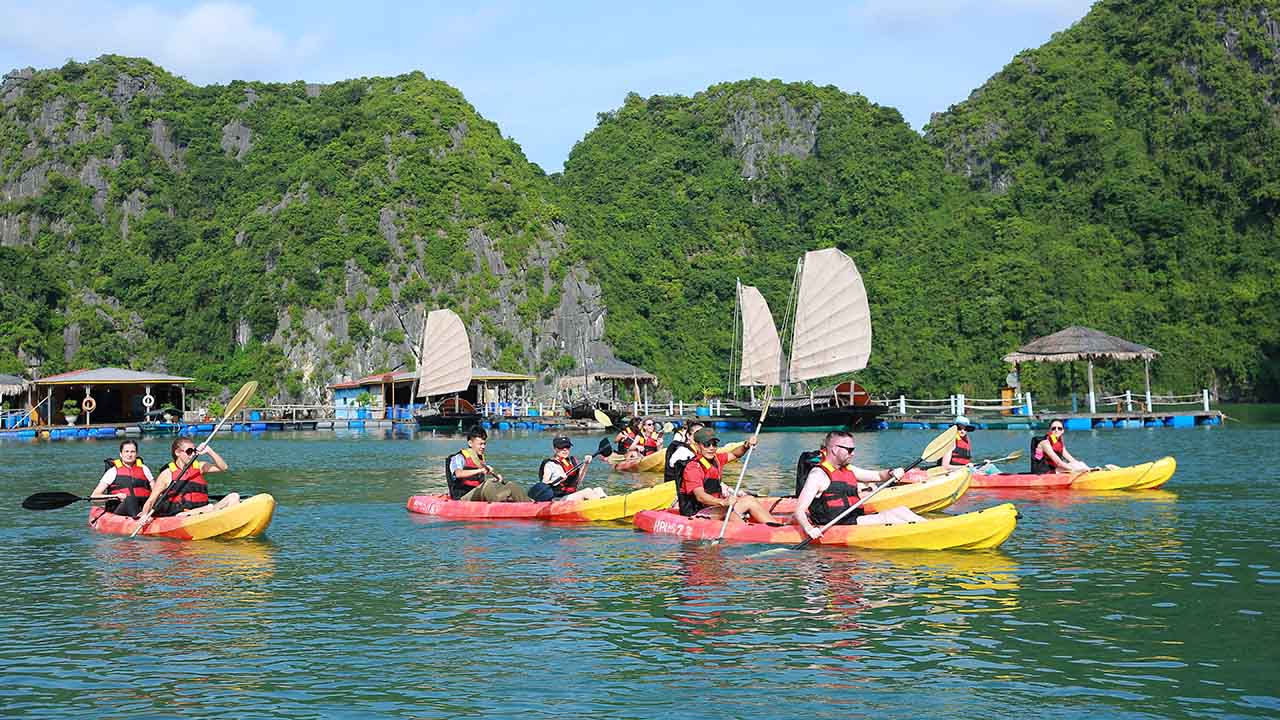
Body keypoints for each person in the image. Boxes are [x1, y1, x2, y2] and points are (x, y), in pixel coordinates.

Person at [793, 431, 926, 539]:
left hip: (854, 519)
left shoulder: (848, 469)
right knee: (888, 517)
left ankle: (934, 526)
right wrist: (809, 529)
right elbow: (799, 511)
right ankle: (931, 530)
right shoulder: (818, 475)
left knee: (901, 511)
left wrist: (892, 472)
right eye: (849, 450)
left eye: (853, 449)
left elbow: (879, 476)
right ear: (834, 449)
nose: (853, 453)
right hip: (835, 525)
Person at [677, 427, 772, 523]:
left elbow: (735, 454)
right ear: (697, 446)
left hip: (714, 508)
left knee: (750, 500)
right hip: (696, 513)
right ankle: (747, 531)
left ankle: (776, 527)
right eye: (706, 444)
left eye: (714, 444)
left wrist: (746, 445)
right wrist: (723, 502)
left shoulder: (716, 459)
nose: (711, 448)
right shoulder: (693, 467)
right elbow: (700, 496)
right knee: (727, 510)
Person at [136, 438, 238, 526]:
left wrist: (209, 451)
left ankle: (232, 526)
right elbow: (151, 500)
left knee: (234, 497)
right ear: (177, 453)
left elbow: (223, 467)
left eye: (194, 451)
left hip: (203, 511)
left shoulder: (199, 467)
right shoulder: (167, 474)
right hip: (181, 516)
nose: (192, 454)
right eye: (189, 451)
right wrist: (145, 515)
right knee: (211, 507)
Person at [446, 426, 530, 502]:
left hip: (479, 494)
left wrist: (497, 481)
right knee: (488, 484)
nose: (483, 447)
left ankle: (529, 505)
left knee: (511, 486)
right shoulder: (459, 457)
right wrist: (480, 470)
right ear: (470, 443)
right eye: (480, 444)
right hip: (463, 497)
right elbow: (458, 474)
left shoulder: (480, 459)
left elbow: (480, 483)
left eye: (484, 443)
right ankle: (500, 505)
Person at [529, 436, 606, 502]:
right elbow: (544, 483)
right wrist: (559, 480)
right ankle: (603, 509)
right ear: (555, 449)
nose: (565, 450)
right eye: (561, 447)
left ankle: (608, 506)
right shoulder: (550, 464)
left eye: (567, 447)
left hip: (571, 496)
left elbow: (578, 481)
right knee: (587, 491)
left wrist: (586, 464)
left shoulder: (571, 461)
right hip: (557, 499)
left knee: (598, 489)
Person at [90, 440, 154, 517]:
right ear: (121, 454)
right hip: (120, 510)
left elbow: (156, 491)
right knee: (130, 499)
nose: (129, 454)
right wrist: (115, 496)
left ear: (136, 454)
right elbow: (94, 496)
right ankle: (138, 518)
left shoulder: (144, 469)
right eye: (126, 451)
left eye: (132, 452)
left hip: (143, 508)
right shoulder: (112, 471)